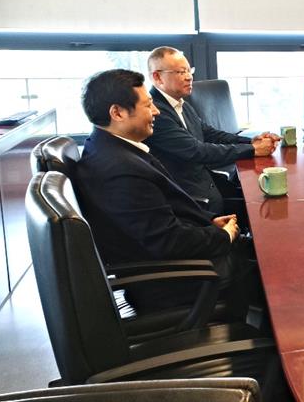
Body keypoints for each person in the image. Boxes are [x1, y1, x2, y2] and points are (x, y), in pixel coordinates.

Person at [75, 69, 257, 314]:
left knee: (258, 248)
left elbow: (158, 219)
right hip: (178, 281)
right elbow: (167, 241)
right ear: (117, 113)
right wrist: (223, 236)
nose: (156, 112)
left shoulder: (107, 148)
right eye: (147, 105)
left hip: (175, 263)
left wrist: (209, 223)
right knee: (270, 268)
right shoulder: (121, 170)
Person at [144, 46, 278, 216]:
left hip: (207, 184)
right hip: (191, 200)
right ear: (157, 77)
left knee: (266, 201)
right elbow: (196, 150)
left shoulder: (180, 103)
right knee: (264, 210)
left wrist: (251, 141)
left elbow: (209, 133)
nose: (189, 77)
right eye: (181, 72)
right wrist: (252, 150)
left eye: (189, 71)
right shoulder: (156, 113)